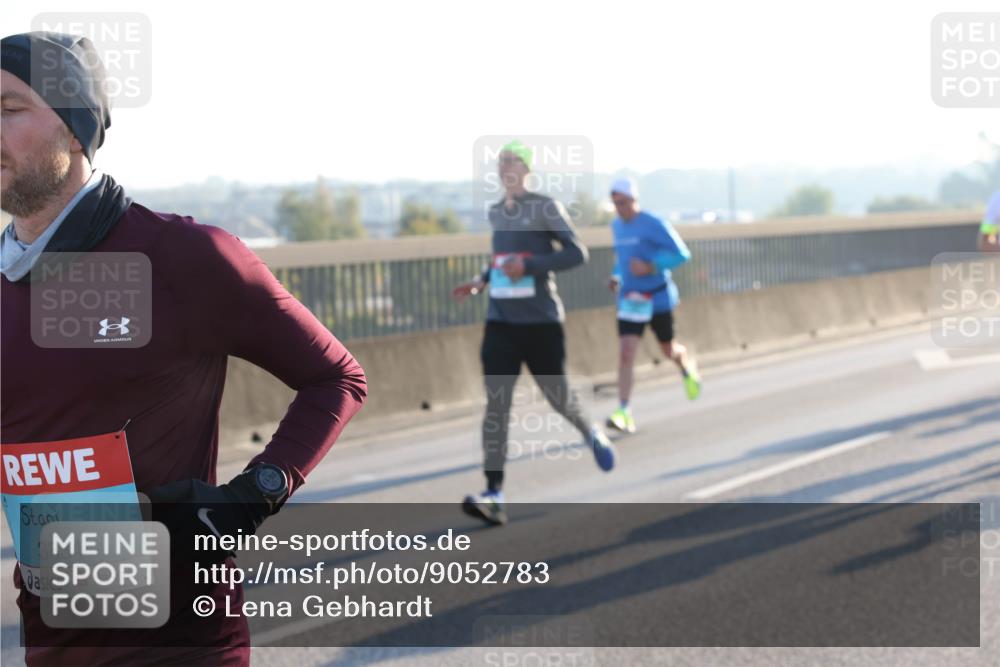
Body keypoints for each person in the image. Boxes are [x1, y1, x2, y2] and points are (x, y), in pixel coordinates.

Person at [1, 32, 367, 666]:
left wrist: (252, 497)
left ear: (75, 130)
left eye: (9, 109)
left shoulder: (182, 256)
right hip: (52, 638)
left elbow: (336, 377)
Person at [452, 140, 616, 525]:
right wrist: (481, 280)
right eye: (500, 161)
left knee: (557, 395)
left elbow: (576, 253)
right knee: (497, 406)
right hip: (501, 322)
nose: (504, 167)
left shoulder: (545, 207)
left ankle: (590, 431)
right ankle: (494, 493)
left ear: (526, 169)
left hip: (541, 321)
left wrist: (530, 266)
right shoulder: (496, 212)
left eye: (512, 161)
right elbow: (501, 260)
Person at [605, 177, 700, 435]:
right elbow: (622, 259)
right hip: (630, 299)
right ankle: (623, 411)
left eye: (623, 202)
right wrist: (616, 276)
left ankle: (685, 367)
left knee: (668, 350)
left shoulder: (654, 223)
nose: (619, 208)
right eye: (615, 203)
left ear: (634, 200)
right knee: (626, 353)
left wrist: (651, 266)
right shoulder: (616, 226)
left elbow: (682, 254)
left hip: (657, 298)